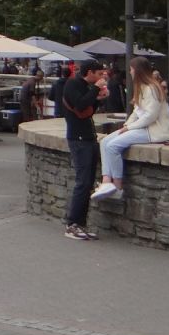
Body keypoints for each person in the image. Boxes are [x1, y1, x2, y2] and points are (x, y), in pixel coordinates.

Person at [93, 57, 169, 199]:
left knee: (113, 146)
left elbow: (150, 116)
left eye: (131, 69)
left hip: (154, 130)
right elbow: (137, 112)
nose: (129, 72)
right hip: (142, 127)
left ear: (137, 70)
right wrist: (126, 125)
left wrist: (129, 127)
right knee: (105, 142)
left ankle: (117, 187)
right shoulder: (142, 88)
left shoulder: (152, 89)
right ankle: (106, 181)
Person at [59, 59, 108, 240]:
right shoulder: (72, 84)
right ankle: (72, 224)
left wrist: (99, 98)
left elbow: (88, 109)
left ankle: (81, 224)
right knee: (82, 182)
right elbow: (79, 105)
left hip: (88, 137)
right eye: (99, 73)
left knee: (88, 183)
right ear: (90, 73)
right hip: (78, 139)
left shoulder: (86, 86)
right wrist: (96, 90)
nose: (102, 76)